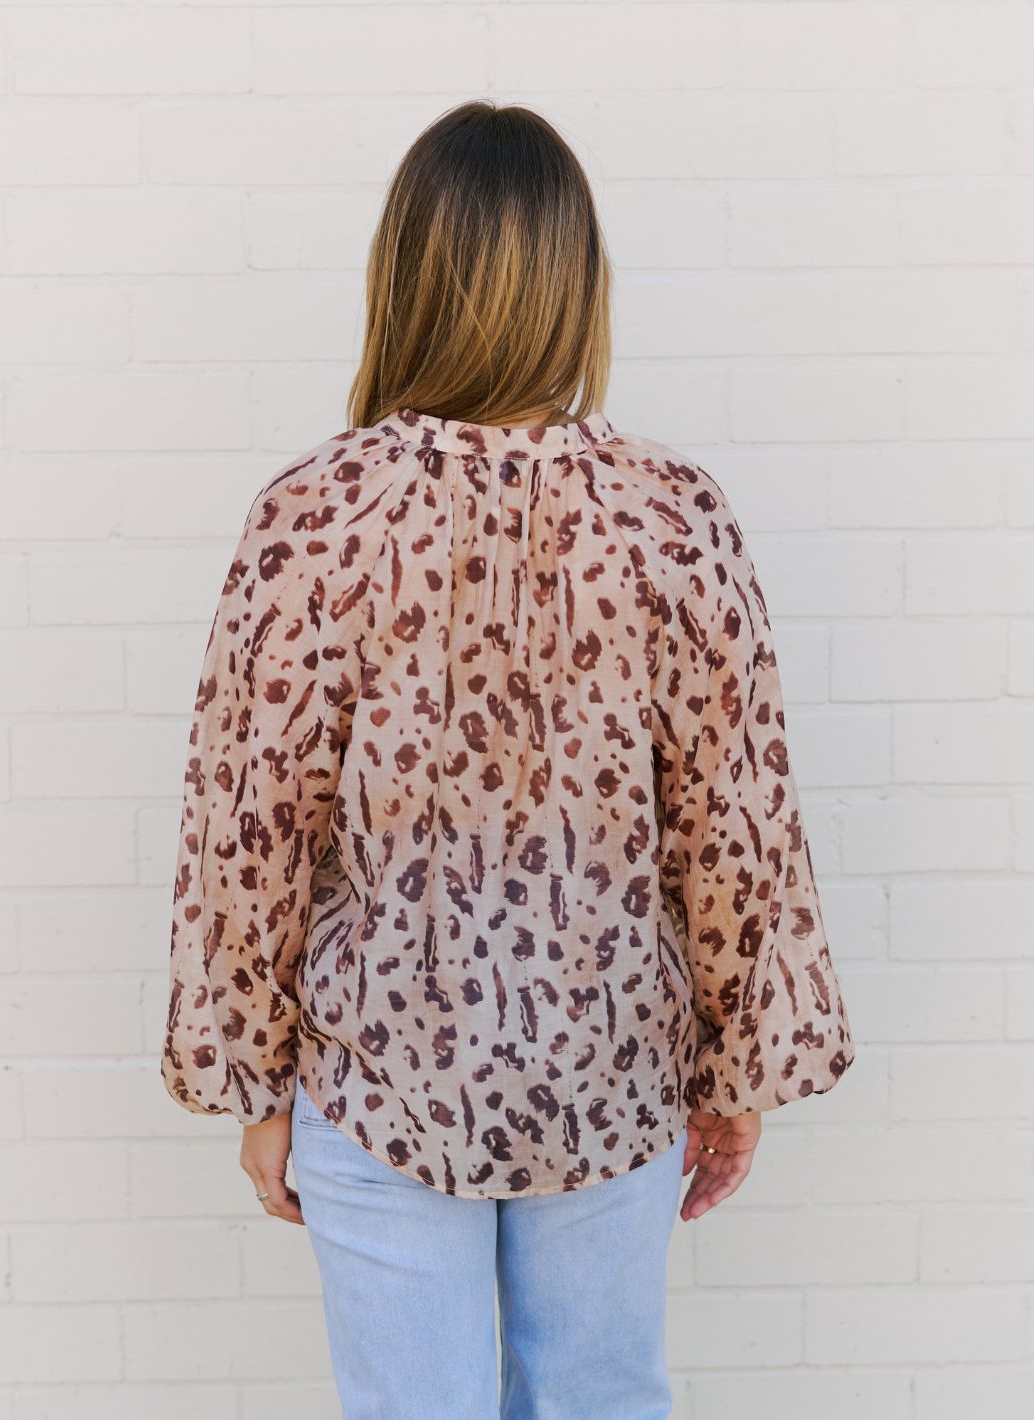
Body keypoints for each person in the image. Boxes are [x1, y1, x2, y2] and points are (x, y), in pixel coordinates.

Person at [161, 98, 856, 1420]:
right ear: (573, 286)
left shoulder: (315, 516)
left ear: (405, 280)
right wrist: (735, 1074)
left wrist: (255, 1084)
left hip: (376, 1073)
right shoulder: (672, 516)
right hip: (613, 1070)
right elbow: (735, 826)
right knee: (600, 1404)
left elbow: (248, 828)